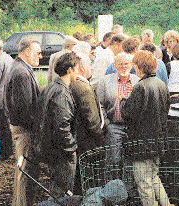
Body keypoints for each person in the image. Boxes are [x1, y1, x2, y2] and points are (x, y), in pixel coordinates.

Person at [120, 50, 171, 206]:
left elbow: (128, 114)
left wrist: (123, 100)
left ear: (140, 67)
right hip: (157, 142)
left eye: (134, 65)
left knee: (144, 184)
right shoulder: (161, 84)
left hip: (142, 145)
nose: (134, 69)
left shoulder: (140, 86)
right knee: (154, 178)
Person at [36, 52, 79, 199]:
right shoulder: (61, 92)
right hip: (62, 153)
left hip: (52, 150)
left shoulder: (51, 86)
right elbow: (62, 125)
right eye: (76, 69)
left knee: (56, 190)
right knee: (62, 193)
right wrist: (71, 149)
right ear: (70, 70)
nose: (77, 73)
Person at [6, 38, 42, 206]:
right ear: (27, 51)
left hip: (23, 128)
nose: (40, 56)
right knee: (24, 173)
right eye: (38, 52)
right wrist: (37, 128)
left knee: (24, 171)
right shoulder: (21, 72)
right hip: (25, 130)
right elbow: (25, 109)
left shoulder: (21, 68)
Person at [97, 53, 140, 192]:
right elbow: (99, 105)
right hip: (113, 126)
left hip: (132, 128)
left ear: (131, 65)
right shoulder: (105, 81)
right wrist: (108, 124)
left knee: (130, 161)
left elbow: (142, 105)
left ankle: (127, 193)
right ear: (115, 66)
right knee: (113, 160)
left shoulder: (138, 81)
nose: (123, 66)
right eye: (120, 64)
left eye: (126, 63)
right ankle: (111, 192)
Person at [70, 52, 104, 195]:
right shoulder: (83, 87)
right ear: (82, 66)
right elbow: (92, 120)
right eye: (90, 64)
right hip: (87, 142)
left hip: (81, 140)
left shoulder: (78, 84)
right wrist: (99, 139)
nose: (92, 67)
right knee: (87, 179)